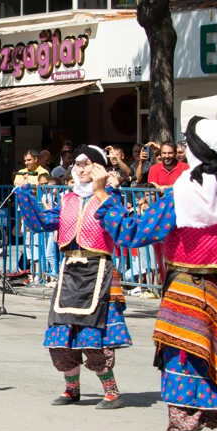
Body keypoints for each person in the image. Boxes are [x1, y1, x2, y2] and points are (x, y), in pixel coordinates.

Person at [103, 118, 217, 431]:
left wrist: (105, 198)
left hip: (184, 291)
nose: (182, 148)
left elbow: (131, 233)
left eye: (186, 144)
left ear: (196, 151)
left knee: (181, 376)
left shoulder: (181, 195)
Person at [16, 146, 132, 409]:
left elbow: (123, 228)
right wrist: (24, 195)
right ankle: (71, 389)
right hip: (69, 270)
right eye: (77, 164)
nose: (80, 169)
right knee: (60, 332)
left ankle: (111, 392)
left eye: (87, 164)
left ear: (100, 169)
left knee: (93, 335)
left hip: (98, 270)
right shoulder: (68, 199)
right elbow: (40, 222)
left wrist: (106, 190)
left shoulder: (110, 198)